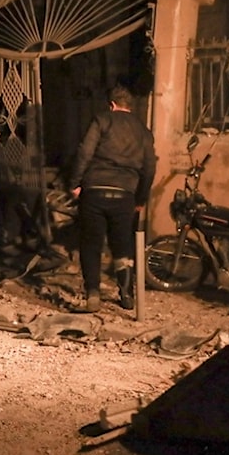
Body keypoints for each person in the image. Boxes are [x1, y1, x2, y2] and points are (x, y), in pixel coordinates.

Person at [68, 84, 156, 312]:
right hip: (125, 194)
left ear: (112, 104)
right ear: (130, 106)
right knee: (122, 246)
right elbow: (149, 168)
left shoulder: (102, 120)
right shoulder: (143, 131)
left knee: (91, 244)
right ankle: (126, 294)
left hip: (95, 190)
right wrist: (140, 198)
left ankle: (93, 295)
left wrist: (75, 183)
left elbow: (84, 152)